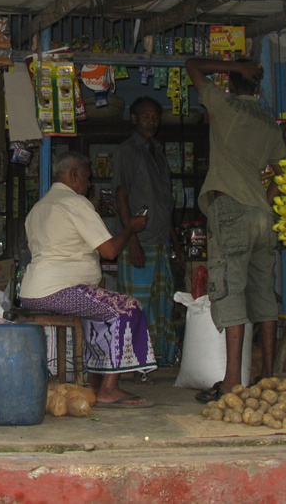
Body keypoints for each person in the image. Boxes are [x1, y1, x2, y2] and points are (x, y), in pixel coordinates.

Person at [185, 57, 286, 402]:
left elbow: (192, 64)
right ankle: (270, 376)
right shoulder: (270, 125)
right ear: (257, 87)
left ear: (231, 84)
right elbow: (282, 173)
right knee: (263, 294)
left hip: (230, 210)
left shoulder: (224, 105)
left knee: (230, 292)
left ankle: (230, 383)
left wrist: (232, 64)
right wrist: (265, 200)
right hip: (262, 214)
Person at [19, 151, 156, 407]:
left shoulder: (38, 208)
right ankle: (109, 389)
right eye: (86, 178)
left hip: (31, 290)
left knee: (98, 310)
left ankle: (94, 384)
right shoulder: (76, 203)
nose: (89, 184)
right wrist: (130, 228)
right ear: (73, 175)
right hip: (59, 289)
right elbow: (110, 251)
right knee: (128, 308)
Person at [112, 96, 185, 373]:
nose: (151, 122)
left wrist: (175, 243)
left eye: (155, 117)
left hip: (161, 241)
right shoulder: (127, 151)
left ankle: (155, 362)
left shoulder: (157, 150)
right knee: (137, 308)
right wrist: (132, 241)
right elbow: (121, 195)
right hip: (138, 242)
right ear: (133, 119)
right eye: (145, 116)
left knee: (161, 306)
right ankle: (135, 364)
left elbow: (165, 203)